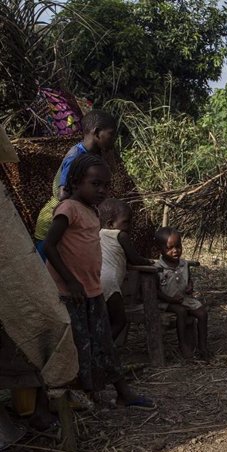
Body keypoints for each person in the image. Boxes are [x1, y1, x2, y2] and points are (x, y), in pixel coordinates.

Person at [43, 154, 155, 409]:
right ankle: (77, 396)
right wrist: (71, 281)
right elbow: (49, 246)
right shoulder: (68, 208)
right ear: (76, 181)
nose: (102, 190)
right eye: (95, 184)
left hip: (92, 290)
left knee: (103, 342)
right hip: (70, 293)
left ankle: (121, 392)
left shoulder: (92, 210)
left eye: (105, 185)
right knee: (76, 347)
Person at [34, 110, 117, 261]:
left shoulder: (94, 157)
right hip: (53, 221)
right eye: (111, 134)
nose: (114, 140)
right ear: (97, 133)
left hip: (68, 221)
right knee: (42, 273)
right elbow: (62, 194)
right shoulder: (75, 156)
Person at [98, 198, 153, 342]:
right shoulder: (120, 235)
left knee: (103, 319)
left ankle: (101, 348)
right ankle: (105, 349)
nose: (130, 226)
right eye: (126, 222)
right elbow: (135, 259)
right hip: (110, 283)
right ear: (111, 224)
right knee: (119, 321)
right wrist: (149, 261)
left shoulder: (98, 234)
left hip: (96, 280)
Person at [154, 227, 210, 361]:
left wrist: (190, 287)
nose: (175, 251)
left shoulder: (184, 264)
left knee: (202, 313)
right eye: (170, 248)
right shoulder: (157, 269)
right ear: (160, 250)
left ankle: (203, 346)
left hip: (183, 298)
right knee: (181, 312)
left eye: (178, 246)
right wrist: (170, 300)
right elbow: (155, 292)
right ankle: (183, 345)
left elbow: (188, 280)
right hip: (166, 301)